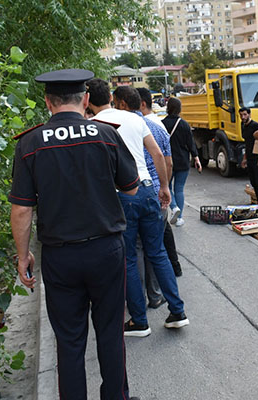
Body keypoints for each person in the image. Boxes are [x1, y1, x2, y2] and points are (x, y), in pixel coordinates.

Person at [9, 69, 141, 400]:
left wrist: (23, 255)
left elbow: (22, 209)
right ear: (85, 99)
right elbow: (131, 188)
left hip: (60, 257)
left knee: (69, 341)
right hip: (106, 250)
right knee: (110, 334)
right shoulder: (106, 134)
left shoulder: (30, 143)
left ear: (47, 102)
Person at [87, 82, 189, 338]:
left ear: (87, 100)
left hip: (121, 195)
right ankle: (178, 312)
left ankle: (140, 321)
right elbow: (157, 154)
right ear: (111, 98)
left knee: (129, 258)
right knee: (158, 252)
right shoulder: (135, 118)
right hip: (147, 189)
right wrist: (164, 187)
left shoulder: (92, 126)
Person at [137, 87, 183, 277]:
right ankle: (173, 269)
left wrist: (164, 186)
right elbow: (167, 161)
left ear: (141, 104)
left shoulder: (146, 125)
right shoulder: (157, 124)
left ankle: (166, 274)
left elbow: (164, 159)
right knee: (161, 234)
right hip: (157, 187)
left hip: (148, 189)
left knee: (151, 244)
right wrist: (164, 185)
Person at [162, 97, 202, 227]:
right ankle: (179, 218)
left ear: (168, 108)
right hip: (183, 161)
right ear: (179, 109)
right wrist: (196, 158)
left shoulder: (162, 124)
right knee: (179, 189)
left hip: (167, 162)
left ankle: (174, 207)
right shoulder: (184, 124)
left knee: (167, 186)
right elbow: (191, 144)